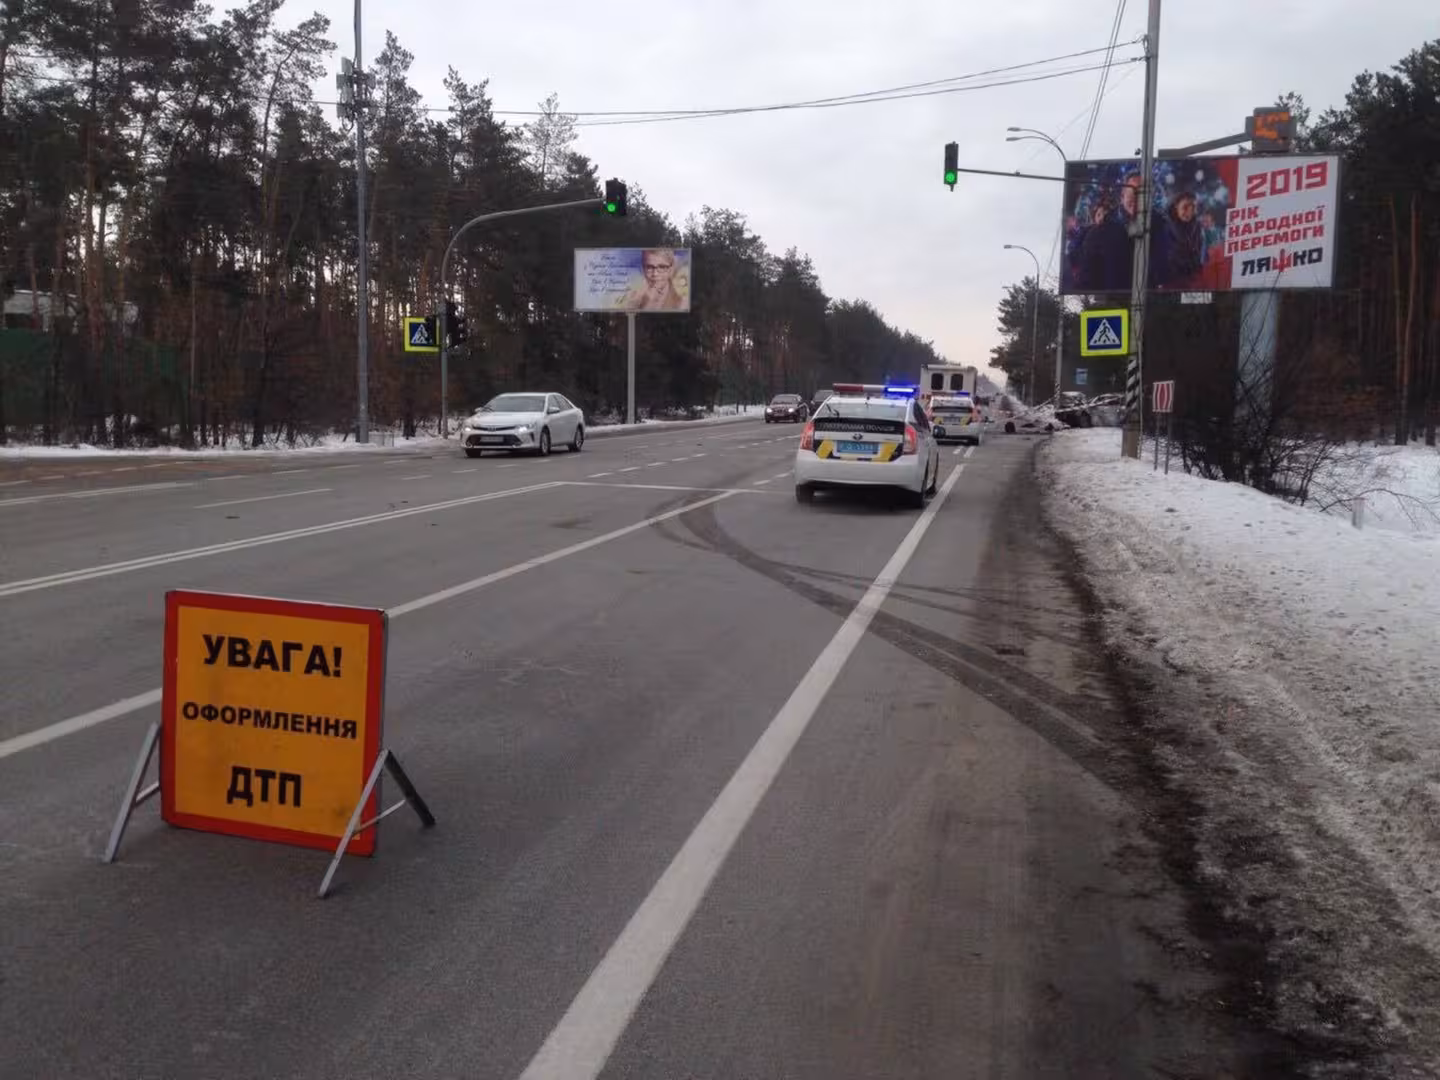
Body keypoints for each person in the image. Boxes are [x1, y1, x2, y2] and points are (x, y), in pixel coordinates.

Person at [1150, 190, 1206, 288]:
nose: (1189, 212)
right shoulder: (1164, 225)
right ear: (1176, 206)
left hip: (1191, 281)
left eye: (1193, 207)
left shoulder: (1197, 228)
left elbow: (1200, 255)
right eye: (1185, 207)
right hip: (1168, 282)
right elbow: (1162, 256)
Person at [621, 249, 687, 311]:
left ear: (671, 269)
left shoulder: (683, 303)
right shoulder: (632, 299)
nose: (655, 274)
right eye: (649, 267)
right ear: (643, 268)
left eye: (662, 267)